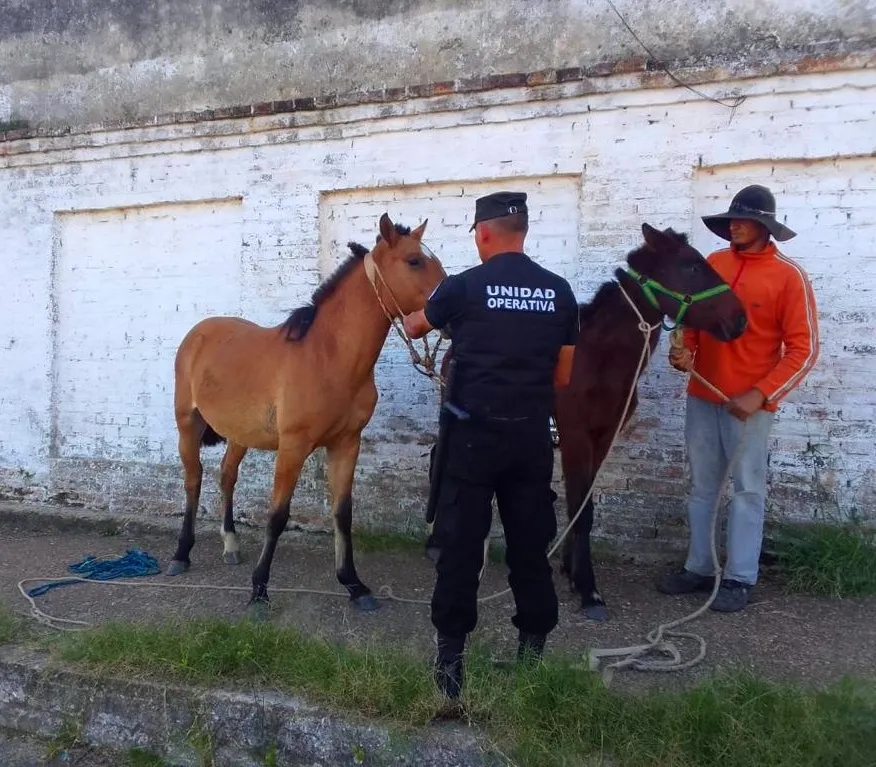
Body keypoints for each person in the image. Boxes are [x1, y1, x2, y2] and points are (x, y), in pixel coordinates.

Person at [402, 191, 579, 700]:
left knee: (460, 548)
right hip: (529, 440)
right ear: (521, 232)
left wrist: (430, 316)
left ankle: (451, 665)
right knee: (529, 547)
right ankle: (531, 657)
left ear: (483, 234)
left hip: (472, 442)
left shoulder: (463, 287)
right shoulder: (559, 291)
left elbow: (416, 328)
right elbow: (562, 376)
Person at [658, 184, 820, 612]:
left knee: (748, 490)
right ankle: (700, 566)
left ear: (764, 226)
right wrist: (685, 350)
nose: (735, 225)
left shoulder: (789, 277)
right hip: (702, 394)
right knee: (702, 486)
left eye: (744, 219)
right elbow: (691, 318)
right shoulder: (714, 263)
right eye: (732, 218)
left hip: (749, 405)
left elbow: (804, 351)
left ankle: (739, 576)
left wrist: (760, 393)